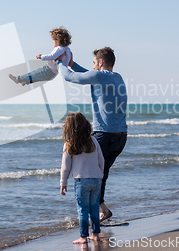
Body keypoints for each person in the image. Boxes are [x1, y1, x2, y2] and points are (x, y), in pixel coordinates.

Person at [57, 47, 127, 222]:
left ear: (101, 62)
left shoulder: (100, 76)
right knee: (100, 175)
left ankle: (92, 216)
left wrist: (59, 62)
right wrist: (72, 63)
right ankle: (102, 210)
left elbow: (70, 77)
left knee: (89, 175)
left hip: (105, 135)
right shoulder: (117, 77)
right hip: (120, 137)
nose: (93, 66)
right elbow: (89, 74)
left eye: (94, 62)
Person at [60, 112, 104, 245]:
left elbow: (65, 166)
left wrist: (63, 182)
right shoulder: (93, 141)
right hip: (96, 179)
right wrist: (100, 175)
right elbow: (101, 160)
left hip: (81, 181)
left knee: (83, 210)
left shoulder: (69, 144)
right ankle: (95, 235)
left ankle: (83, 237)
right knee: (94, 208)